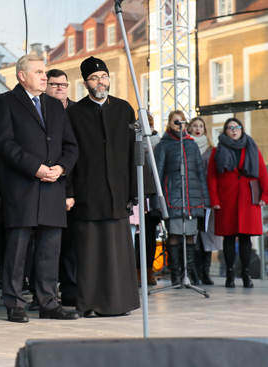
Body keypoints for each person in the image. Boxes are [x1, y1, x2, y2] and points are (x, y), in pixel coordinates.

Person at [0, 54, 79, 323]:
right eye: (39, 72)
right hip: (23, 185)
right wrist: (36, 168)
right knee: (17, 249)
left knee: (50, 249)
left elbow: (71, 145)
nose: (45, 76)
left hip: (53, 185)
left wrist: (61, 168)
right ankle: (14, 303)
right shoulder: (4, 102)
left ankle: (48, 302)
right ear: (22, 76)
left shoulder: (55, 105)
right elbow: (4, 144)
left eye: (45, 72)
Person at [66, 56, 140, 317]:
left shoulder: (124, 109)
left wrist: (136, 190)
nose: (100, 82)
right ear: (86, 83)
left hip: (117, 193)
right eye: (95, 78)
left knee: (119, 251)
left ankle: (122, 303)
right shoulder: (73, 113)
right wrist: (69, 192)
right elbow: (69, 154)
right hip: (88, 193)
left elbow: (133, 151)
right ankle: (92, 304)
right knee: (91, 253)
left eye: (104, 76)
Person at [207, 117, 268, 288]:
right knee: (228, 237)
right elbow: (211, 177)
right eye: (230, 128)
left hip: (248, 198)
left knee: (245, 237)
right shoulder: (217, 151)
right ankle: (229, 274)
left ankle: (246, 275)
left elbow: (262, 172)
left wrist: (265, 195)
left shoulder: (252, 147)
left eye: (237, 127)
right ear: (225, 131)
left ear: (241, 129)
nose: (234, 130)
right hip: (226, 199)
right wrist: (214, 199)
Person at [153, 110, 210, 286]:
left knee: (190, 235)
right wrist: (158, 202)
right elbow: (158, 175)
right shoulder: (163, 145)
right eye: (176, 121)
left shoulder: (191, 145)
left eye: (182, 121)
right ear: (169, 124)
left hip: (192, 199)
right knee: (175, 235)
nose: (180, 125)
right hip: (173, 198)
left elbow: (200, 174)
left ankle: (191, 272)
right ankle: (176, 274)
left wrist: (205, 199)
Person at [44, 68, 76, 305]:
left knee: (71, 246)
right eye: (54, 84)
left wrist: (71, 192)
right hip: (46, 184)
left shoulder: (77, 111)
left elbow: (75, 152)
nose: (60, 88)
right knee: (46, 246)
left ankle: (70, 290)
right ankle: (43, 293)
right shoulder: (39, 109)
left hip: (72, 186)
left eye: (63, 84)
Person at [187, 116, 222, 285]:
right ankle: (192, 271)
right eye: (194, 126)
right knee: (192, 235)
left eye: (201, 126)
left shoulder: (212, 149)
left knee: (206, 236)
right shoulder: (186, 146)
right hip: (191, 197)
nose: (198, 128)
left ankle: (205, 272)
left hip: (208, 198)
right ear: (189, 128)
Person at [135, 113, 161, 286]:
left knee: (150, 237)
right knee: (135, 237)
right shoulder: (133, 143)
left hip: (152, 197)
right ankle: (135, 271)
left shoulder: (159, 145)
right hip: (137, 196)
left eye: (149, 125)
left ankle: (148, 271)